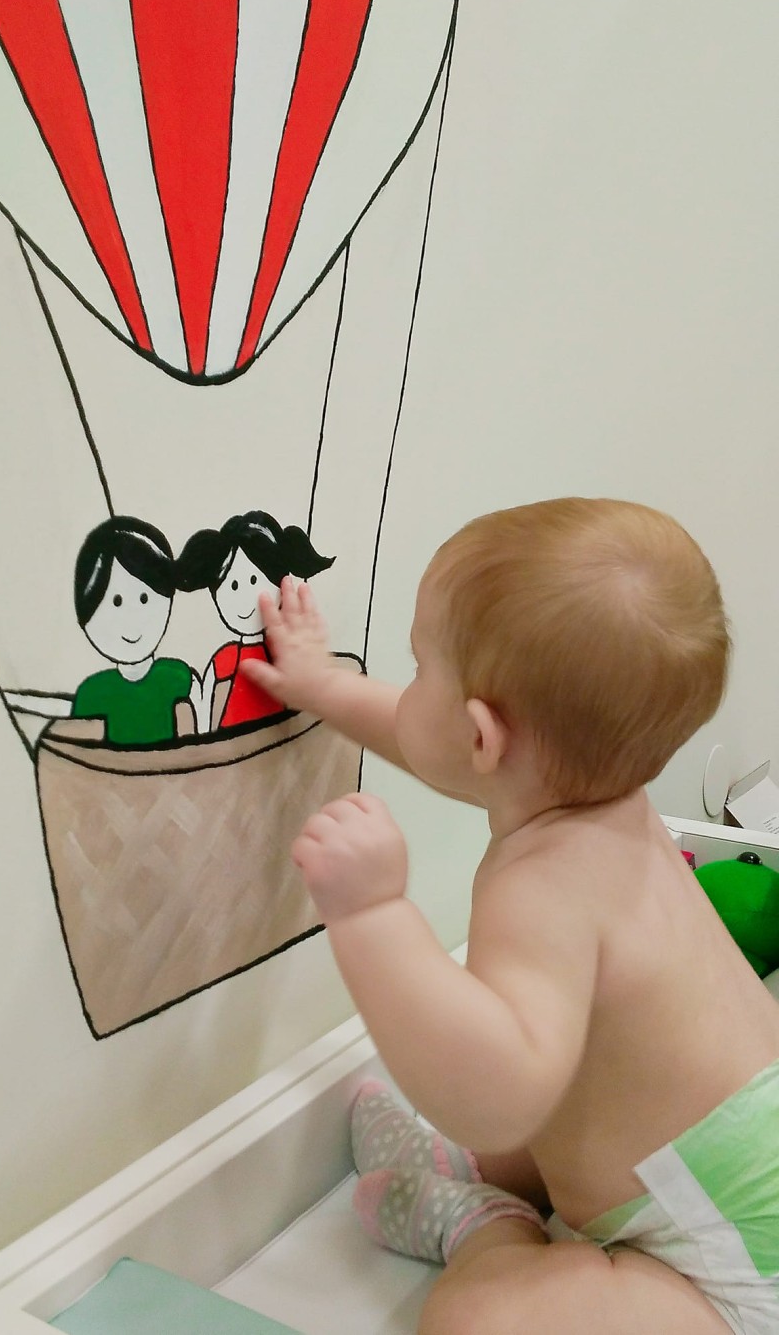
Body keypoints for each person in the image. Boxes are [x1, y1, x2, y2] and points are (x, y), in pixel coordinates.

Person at [241, 497, 779, 1334]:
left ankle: (483, 1225)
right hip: (712, 1172)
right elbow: (439, 742)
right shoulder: (603, 798)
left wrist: (372, 914)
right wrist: (321, 685)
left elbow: (495, 1099)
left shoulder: (546, 887)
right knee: (572, 1062)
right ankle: (480, 1171)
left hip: (740, 1281)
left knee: (474, 1322)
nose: (409, 686)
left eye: (419, 667)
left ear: (483, 736)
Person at [176, 510, 333, 733]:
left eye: (253, 580)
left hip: (280, 733)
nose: (244, 598)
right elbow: (208, 688)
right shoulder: (229, 656)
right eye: (233, 586)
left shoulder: (281, 649)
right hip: (235, 737)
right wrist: (202, 730)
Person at [71, 516, 195, 745]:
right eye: (116, 602)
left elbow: (191, 746)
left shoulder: (178, 678)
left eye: (144, 598)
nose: (131, 618)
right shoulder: (93, 694)